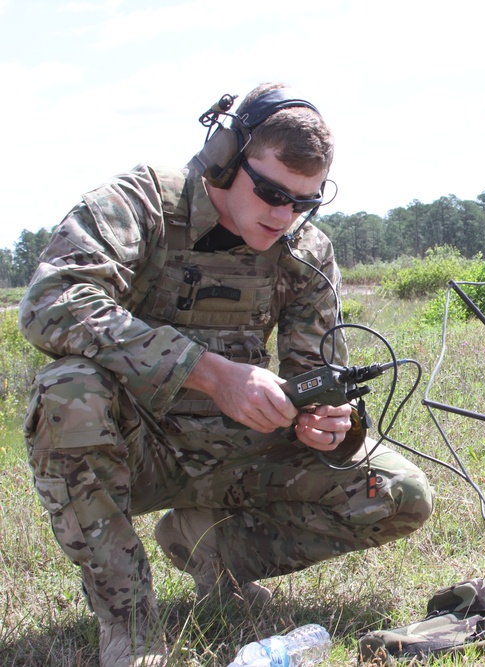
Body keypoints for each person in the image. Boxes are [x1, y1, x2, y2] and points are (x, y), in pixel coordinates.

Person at [18, 82, 433, 667]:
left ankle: (211, 550)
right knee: (67, 389)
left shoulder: (305, 250)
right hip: (137, 448)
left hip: (240, 452)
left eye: (304, 202)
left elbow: (313, 369)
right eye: (269, 191)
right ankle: (129, 622)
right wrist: (211, 374)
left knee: (396, 495)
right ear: (225, 157)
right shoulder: (140, 204)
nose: (283, 214)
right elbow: (51, 302)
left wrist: (328, 423)